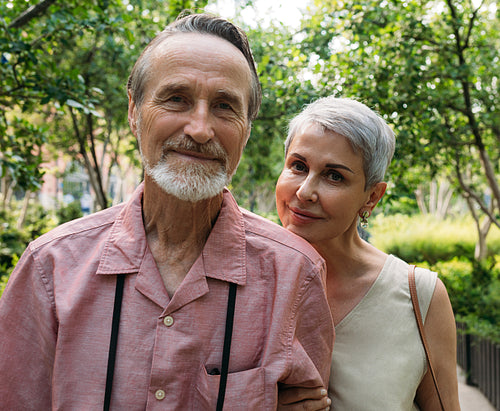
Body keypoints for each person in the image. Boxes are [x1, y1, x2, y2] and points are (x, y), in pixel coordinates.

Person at [0, 14, 334, 409]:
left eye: (225, 106)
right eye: (176, 98)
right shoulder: (50, 268)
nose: (200, 129)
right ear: (134, 111)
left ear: (247, 128)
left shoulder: (295, 274)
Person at [276, 97, 460, 410]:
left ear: (372, 197)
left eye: (334, 175)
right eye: (298, 166)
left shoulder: (419, 295)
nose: (305, 192)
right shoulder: (243, 280)